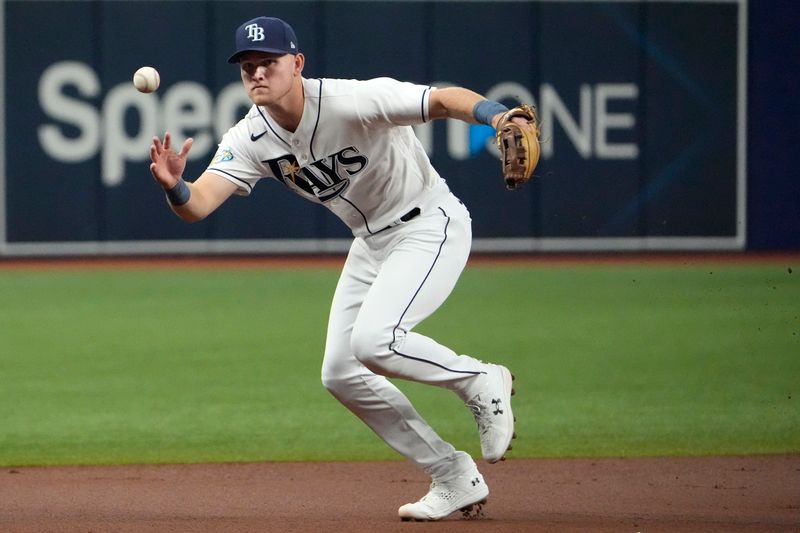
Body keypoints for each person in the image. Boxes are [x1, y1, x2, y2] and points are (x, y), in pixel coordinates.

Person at [149, 16, 527, 522]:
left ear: (297, 63)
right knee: (341, 374)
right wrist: (175, 186)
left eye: (269, 62)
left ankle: (479, 379)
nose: (257, 73)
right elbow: (198, 205)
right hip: (370, 244)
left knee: (374, 341)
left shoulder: (351, 100)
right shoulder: (250, 137)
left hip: (428, 223)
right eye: (248, 66)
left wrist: (497, 116)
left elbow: (439, 100)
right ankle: (452, 475)